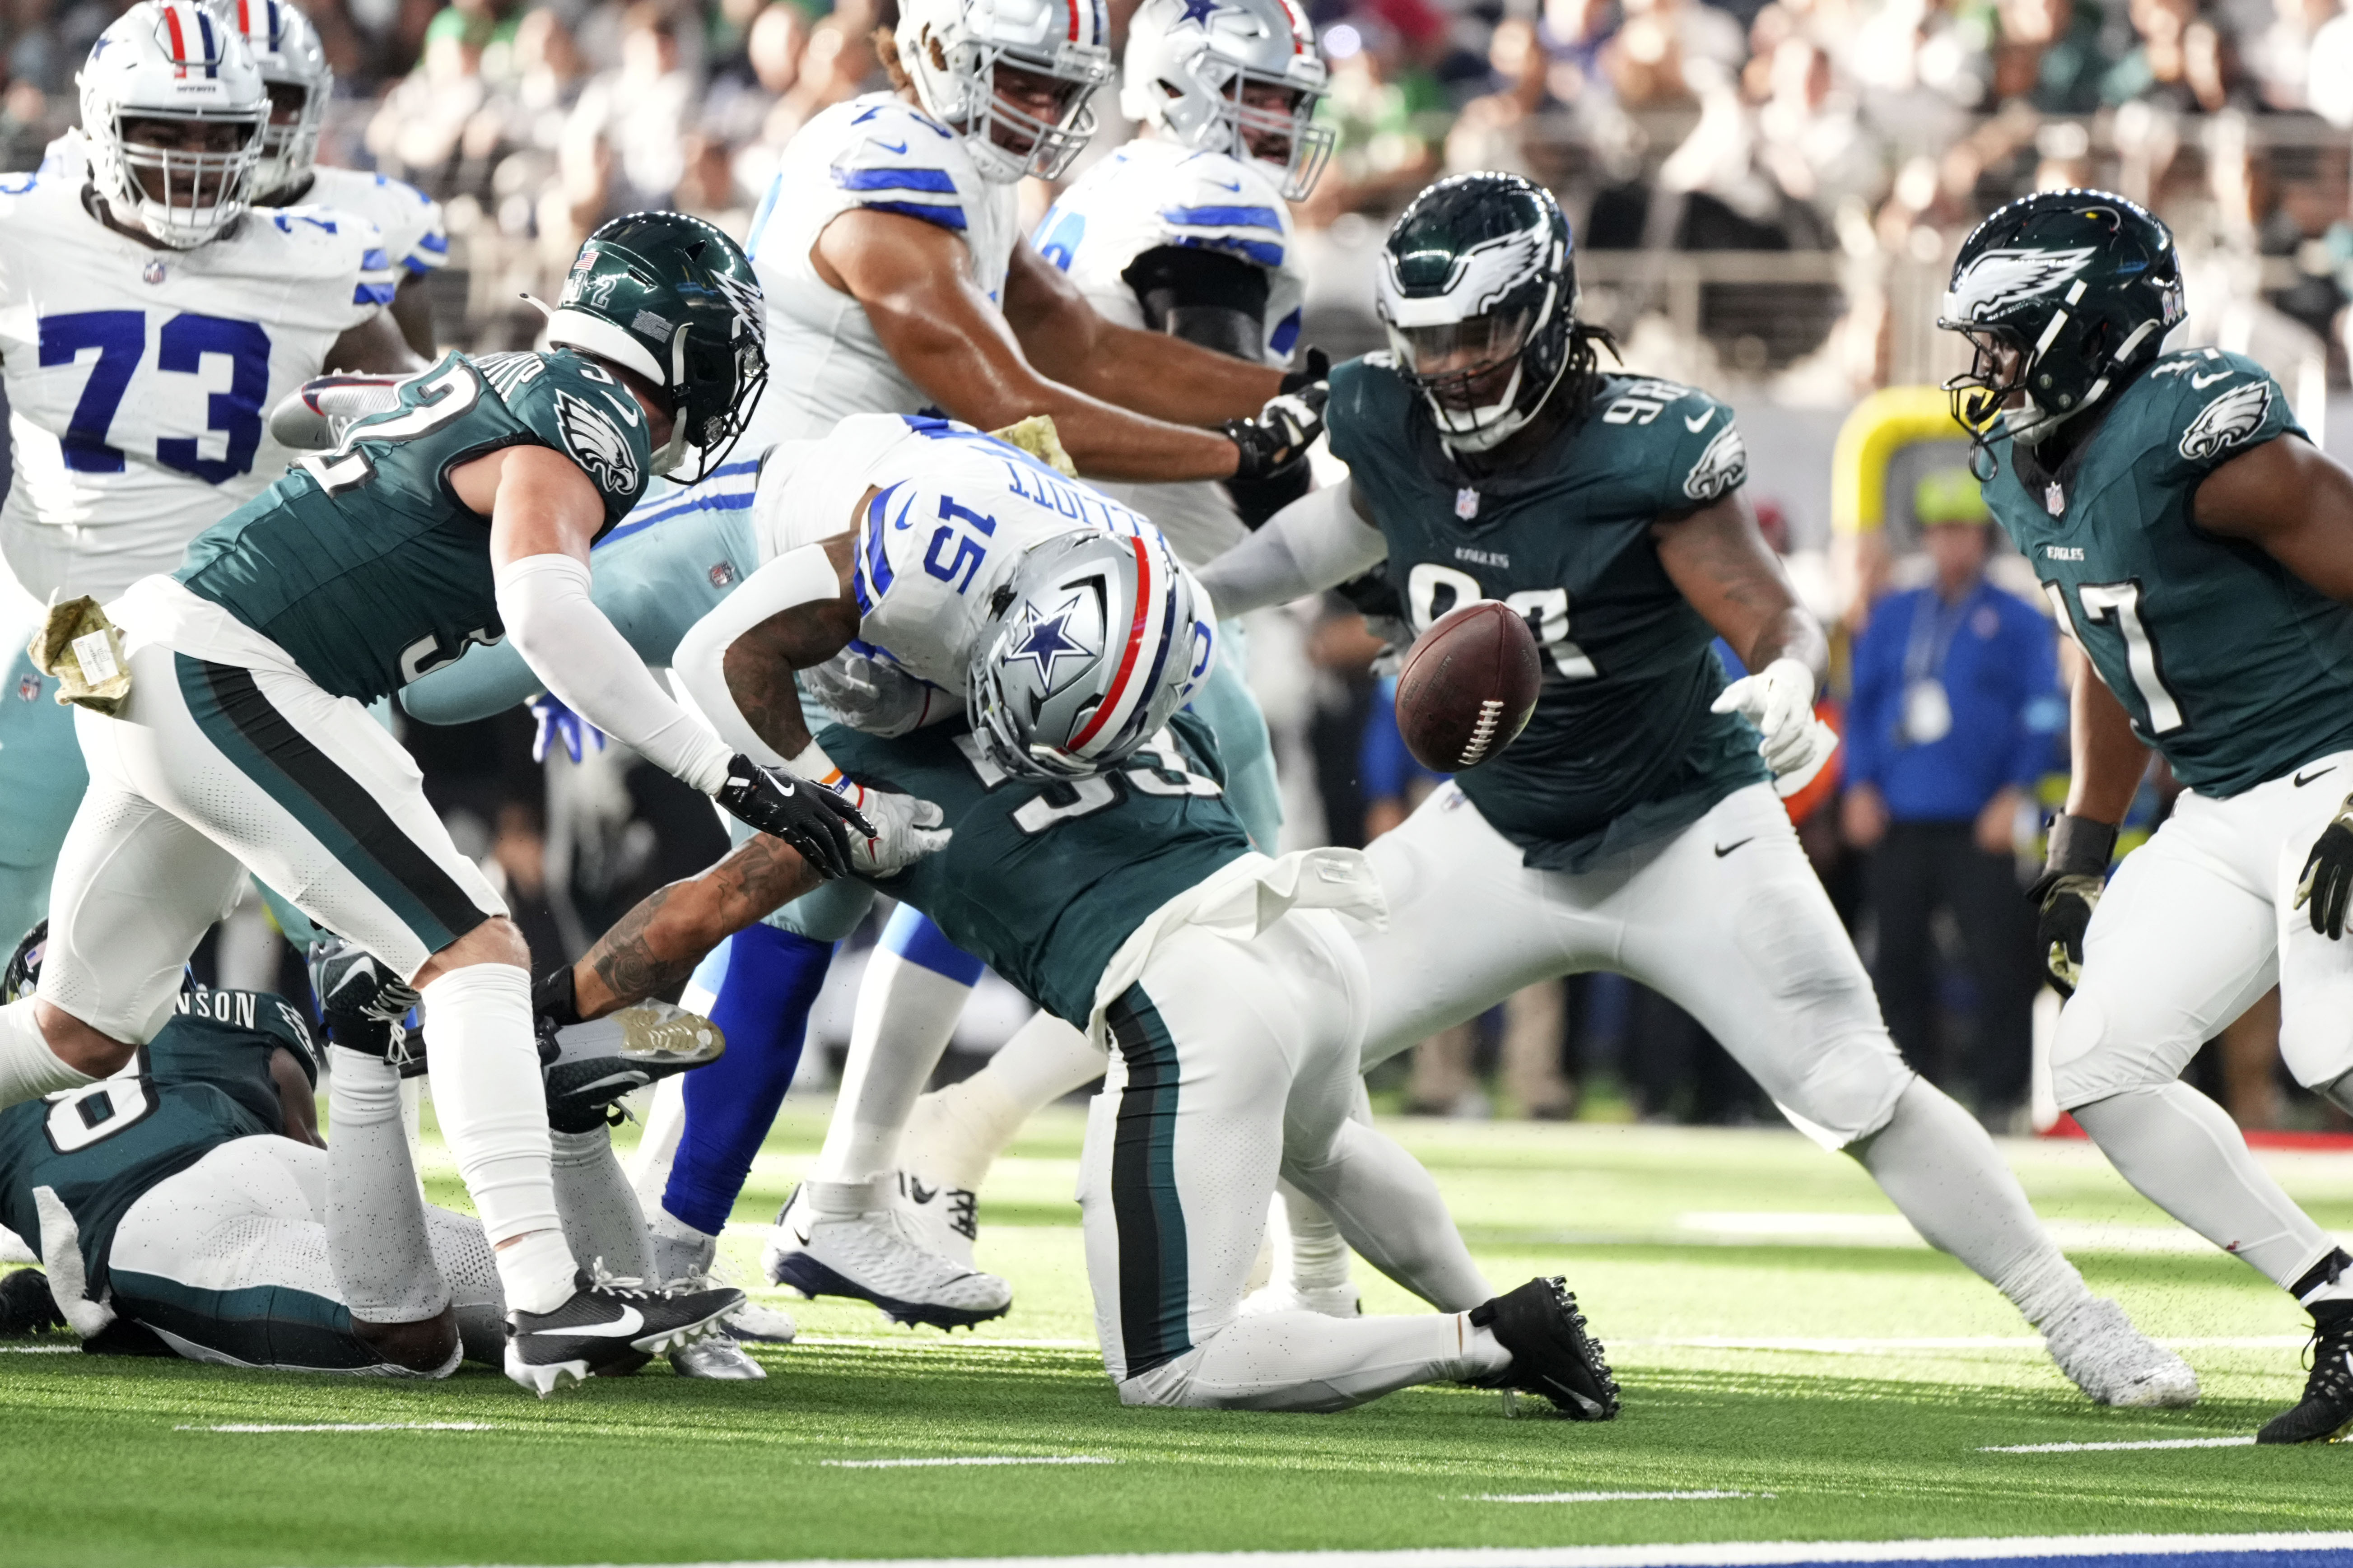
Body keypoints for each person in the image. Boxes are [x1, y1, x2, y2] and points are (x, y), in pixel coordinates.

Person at [1196, 171, 2195, 1410]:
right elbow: (1331, 538)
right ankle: (1348, 1296)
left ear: (1547, 311)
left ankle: (2077, 1317)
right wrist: (1203, 594)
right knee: (1287, 1029)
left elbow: (1771, 611)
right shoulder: (1389, 417)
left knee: (1853, 1084)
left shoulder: (1641, 445)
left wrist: (1786, 676)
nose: (1451, 365)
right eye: (1430, 338)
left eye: (1478, 332)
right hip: (1501, 830)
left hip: (1682, 830)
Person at [510, 0, 1329, 1326]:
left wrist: (1286, 402)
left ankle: (734, 1220)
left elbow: (1085, 348)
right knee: (796, 881)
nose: (1033, 107)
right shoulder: (883, 163)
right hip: (789, 559)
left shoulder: (969, 177)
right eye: (1010, 73)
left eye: (1053, 80)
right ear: (933, 50)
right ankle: (628, 1184)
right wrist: (1241, 450)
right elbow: (1022, 402)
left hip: (892, 560)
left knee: (843, 877)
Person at [0, 212, 879, 1395]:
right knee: (473, 953)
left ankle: (548, 1287)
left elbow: (347, 449)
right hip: (223, 667)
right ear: (672, 346)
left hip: (137, 655)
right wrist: (726, 771)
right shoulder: (592, 416)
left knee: (77, 1033)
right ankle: (546, 1298)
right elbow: (547, 616)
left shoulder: (505, 381)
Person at [882, 0, 1337, 1286]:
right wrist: (1362, 522)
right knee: (1247, 911)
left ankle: (928, 1146)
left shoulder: (1096, 190)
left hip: (1058, 584)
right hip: (1161, 605)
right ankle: (1273, 1255)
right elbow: (1235, 433)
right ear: (1184, 87)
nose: (1277, 129)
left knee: (990, 883)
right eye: (1257, 98)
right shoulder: (1201, 202)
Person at [1938, 188, 2353, 1443]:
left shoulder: (2205, 436)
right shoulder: (2020, 464)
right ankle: (2340, 1299)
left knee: (2329, 1051)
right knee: (2102, 1067)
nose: (1984, 365)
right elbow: (2101, 636)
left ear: (2082, 328)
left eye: (2004, 336)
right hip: (2223, 799)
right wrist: (2083, 842)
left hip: (2334, 766)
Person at [0, 0, 423, 953]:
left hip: (243, 628)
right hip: (73, 614)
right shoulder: (24, 234)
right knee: (20, 873)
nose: (192, 157)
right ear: (101, 127)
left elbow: (423, 427)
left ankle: (364, 1078)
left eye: (219, 132)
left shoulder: (317, 258)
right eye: (163, 130)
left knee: (365, 920)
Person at [0, 929, 735, 1382]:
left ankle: (361, 1033)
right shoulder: (233, 1018)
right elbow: (315, 1147)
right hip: (269, 1159)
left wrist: (30, 1291)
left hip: (155, 1227)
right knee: (590, 1321)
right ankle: (571, 1126)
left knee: (408, 1337)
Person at [1842, 470, 2057, 1125]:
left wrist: (2014, 793)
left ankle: (2001, 1095)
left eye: (1961, 530)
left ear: (1982, 538)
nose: (1950, 544)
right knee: (1897, 961)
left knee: (1998, 962)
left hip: (1979, 819)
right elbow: (1861, 705)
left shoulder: (2018, 620)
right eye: (1939, 531)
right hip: (1900, 813)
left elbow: (2045, 712)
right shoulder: (1894, 614)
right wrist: (1858, 786)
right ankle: (1910, 1098)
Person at [218, 0, 449, 359]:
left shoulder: (376, 220)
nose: (262, 116)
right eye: (247, 93)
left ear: (312, 101)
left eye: (280, 97)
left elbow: (420, 396)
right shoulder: (138, 224)